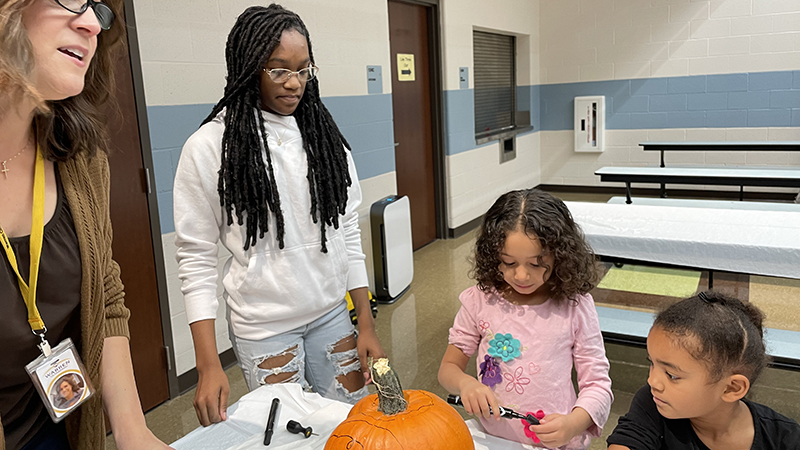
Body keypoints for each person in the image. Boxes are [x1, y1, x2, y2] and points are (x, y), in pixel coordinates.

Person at [173, 4, 386, 427]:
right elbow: (195, 258)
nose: (294, 83)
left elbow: (346, 232)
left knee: (352, 425)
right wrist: (208, 363)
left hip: (331, 315)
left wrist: (365, 322)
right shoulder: (210, 146)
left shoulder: (325, 140)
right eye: (279, 70)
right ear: (249, 67)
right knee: (295, 435)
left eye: (304, 69)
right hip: (265, 330)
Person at [0, 0, 170, 449]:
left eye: (99, 7)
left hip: (53, 426)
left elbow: (105, 292)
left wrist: (134, 432)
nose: (93, 23)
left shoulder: (78, 154)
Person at [438, 189, 613, 449]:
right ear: (493, 255)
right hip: (493, 439)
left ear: (559, 256)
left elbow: (598, 384)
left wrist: (574, 423)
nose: (521, 276)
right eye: (509, 262)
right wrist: (466, 384)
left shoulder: (575, 305)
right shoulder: (479, 301)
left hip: (558, 442)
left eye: (536, 264)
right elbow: (448, 368)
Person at [608, 291, 800, 450]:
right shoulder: (652, 404)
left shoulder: (786, 440)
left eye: (672, 375)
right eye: (652, 363)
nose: (653, 381)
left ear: (731, 388)